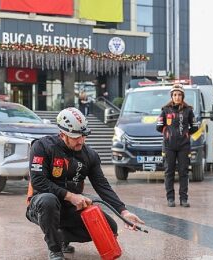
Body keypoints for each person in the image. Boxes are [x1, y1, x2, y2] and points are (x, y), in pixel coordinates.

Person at [26, 107, 144, 260]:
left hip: (69, 209)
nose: (81, 140)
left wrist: (123, 212)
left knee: (110, 228)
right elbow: (38, 181)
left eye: (83, 135)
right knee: (48, 200)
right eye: (75, 137)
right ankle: (54, 249)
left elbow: (102, 185)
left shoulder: (90, 155)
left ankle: (59, 236)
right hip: (41, 206)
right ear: (63, 135)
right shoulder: (42, 147)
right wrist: (71, 196)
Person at [156, 84, 199, 208]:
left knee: (183, 173)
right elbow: (159, 127)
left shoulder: (188, 110)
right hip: (169, 146)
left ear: (183, 96)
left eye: (179, 95)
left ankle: (184, 199)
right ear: (172, 96)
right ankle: (170, 199)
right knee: (169, 172)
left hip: (184, 146)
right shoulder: (165, 110)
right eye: (175, 95)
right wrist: (168, 133)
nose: (177, 97)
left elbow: (194, 126)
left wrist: (185, 134)